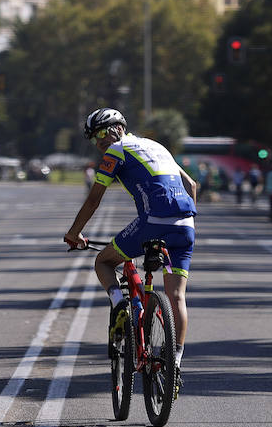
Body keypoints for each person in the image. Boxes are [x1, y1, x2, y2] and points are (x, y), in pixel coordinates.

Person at [64, 108, 198, 396]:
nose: (99, 141)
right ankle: (174, 365)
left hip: (153, 222)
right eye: (94, 138)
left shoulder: (117, 151)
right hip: (186, 224)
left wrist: (74, 233)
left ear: (119, 128)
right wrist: (187, 223)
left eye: (102, 132)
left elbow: (93, 200)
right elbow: (191, 185)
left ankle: (120, 304)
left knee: (103, 261)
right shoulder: (157, 146)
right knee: (176, 296)